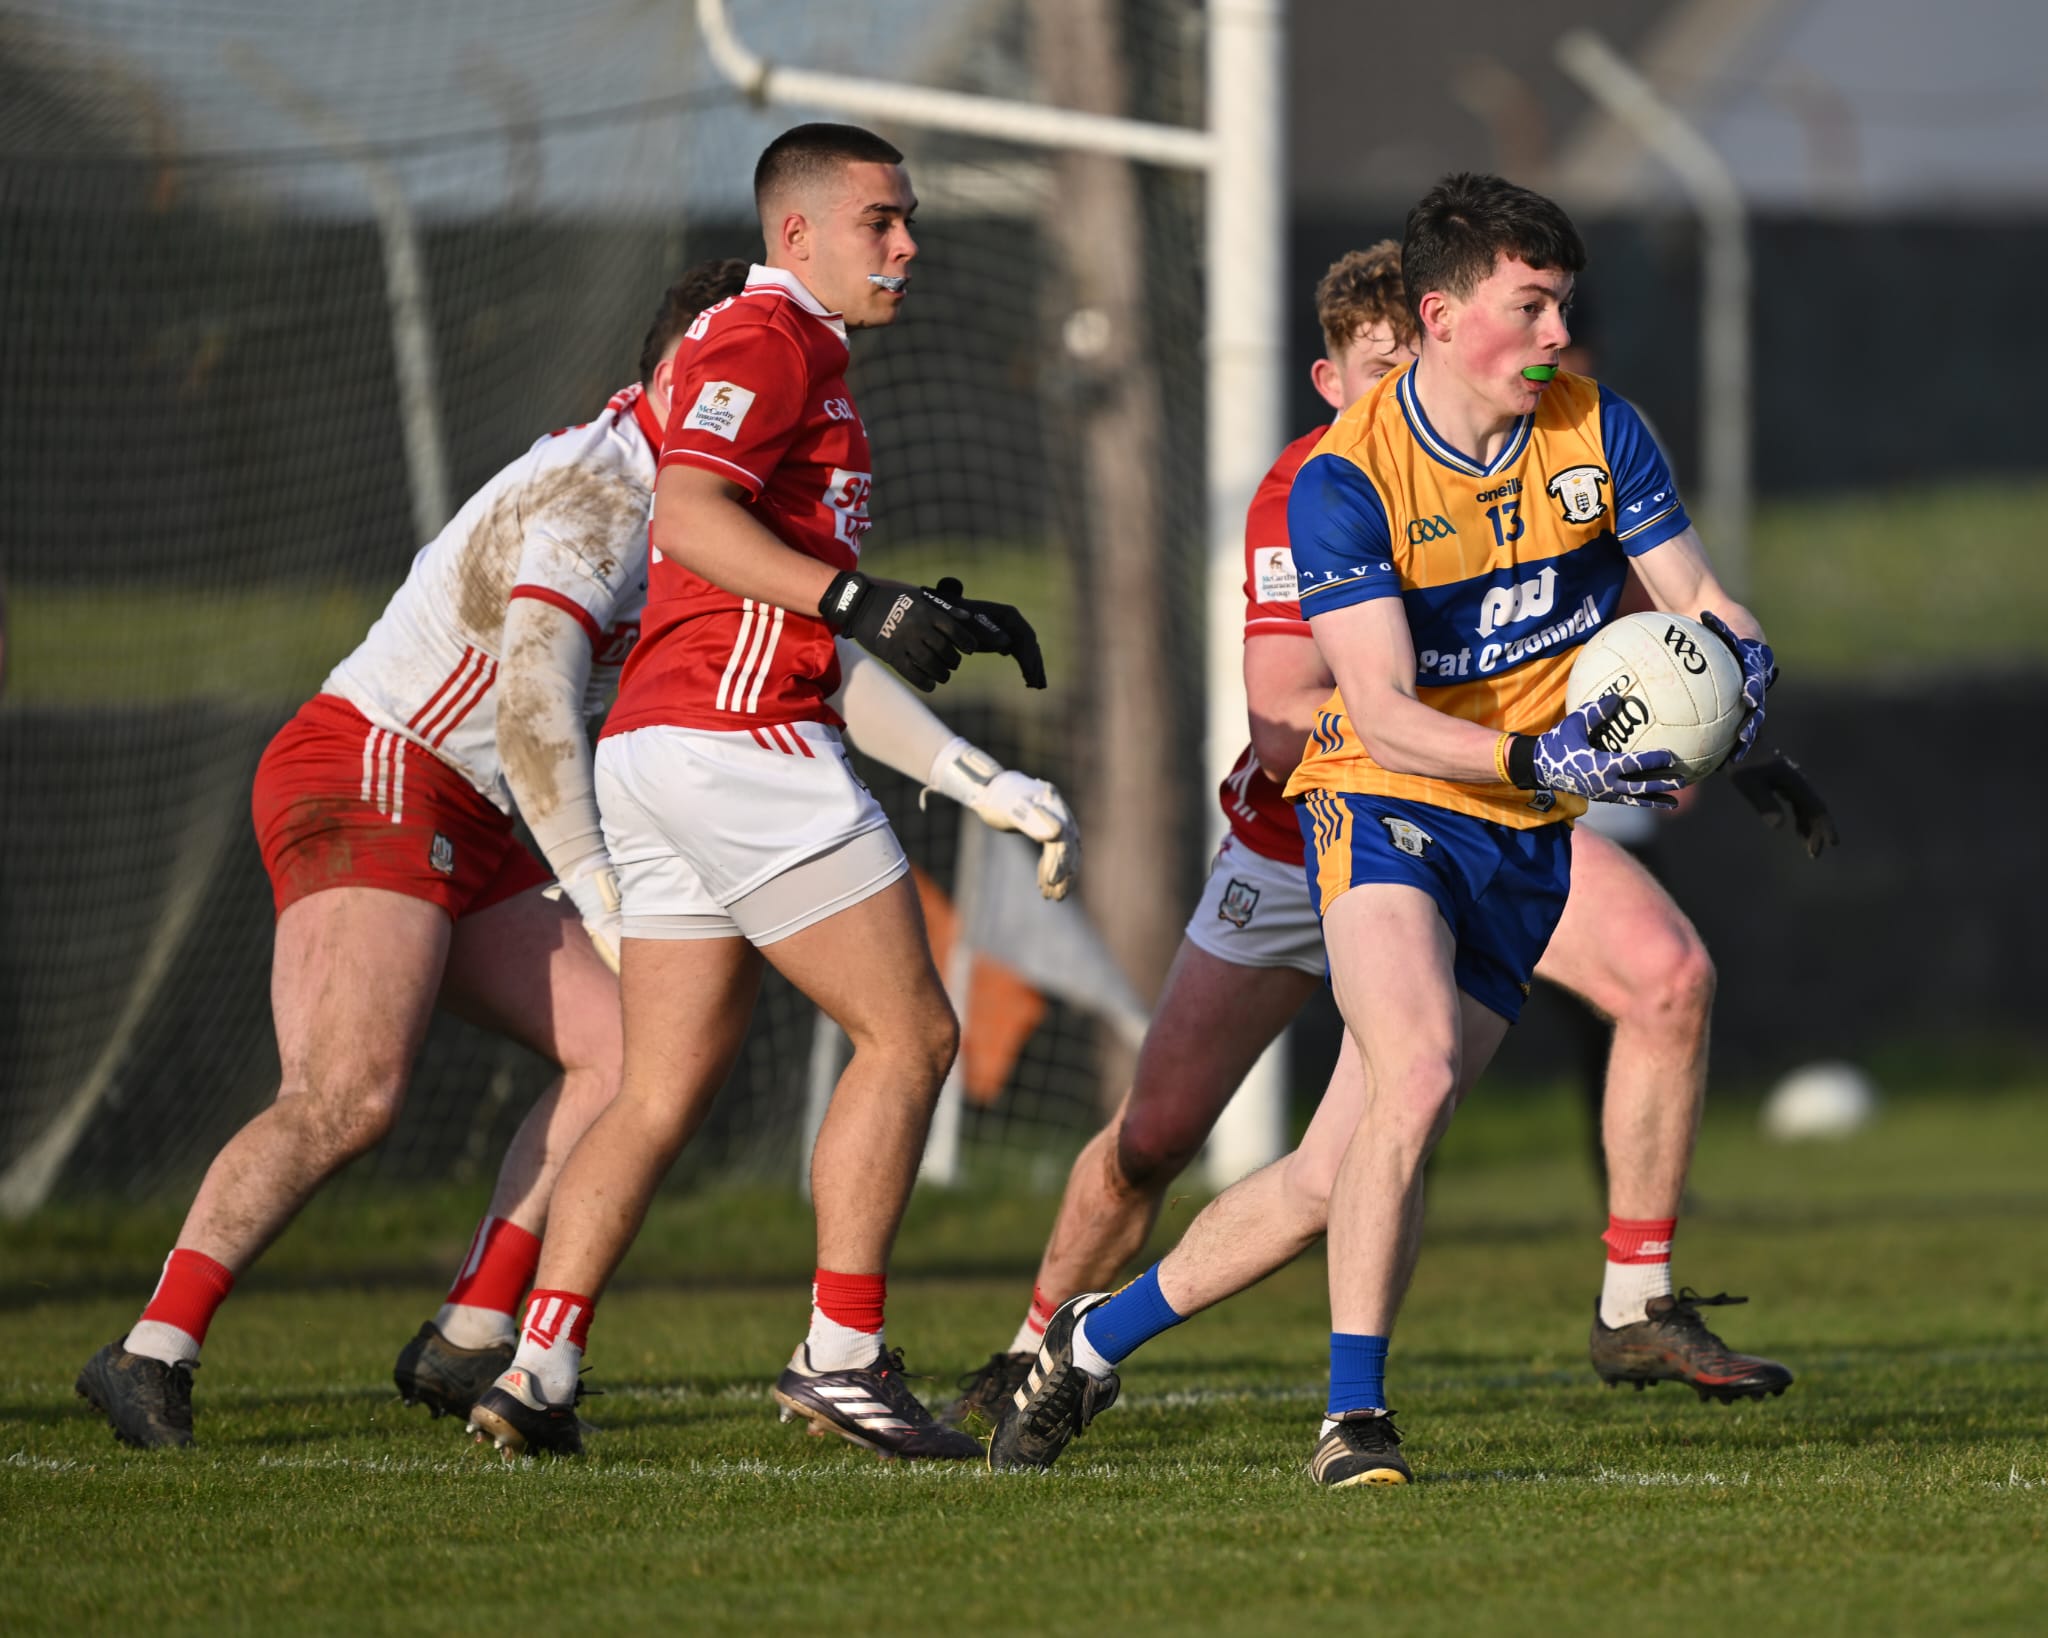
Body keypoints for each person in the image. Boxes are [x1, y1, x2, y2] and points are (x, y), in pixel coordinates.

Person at [75, 256, 1077, 1452]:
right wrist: (602, 891)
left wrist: (977, 775)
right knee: (349, 1093)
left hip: (493, 809)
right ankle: (152, 1346)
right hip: (382, 768)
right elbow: (532, 706)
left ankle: (479, 1338)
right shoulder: (602, 499)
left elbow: (817, 657)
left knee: (623, 1057)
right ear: (679, 371)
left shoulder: (719, 493)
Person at [991, 174, 1789, 1488]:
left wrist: (1747, 684)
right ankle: (1351, 1420)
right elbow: (1373, 709)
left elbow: (1699, 599)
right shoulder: (1345, 477)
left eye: (1563, 307)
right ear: (1441, 312)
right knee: (1410, 1075)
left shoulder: (1600, 431)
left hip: (1525, 834)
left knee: (1325, 1178)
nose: (1554, 335)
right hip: (1386, 802)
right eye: (1529, 306)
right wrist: (1542, 748)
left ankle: (1094, 1336)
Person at [466, 123, 1044, 1462]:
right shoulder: (765, 337)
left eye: (907, 220)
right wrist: (853, 596)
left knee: (658, 1087)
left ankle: (539, 1367)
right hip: (736, 745)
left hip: (669, 746)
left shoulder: (809, 358)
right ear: (797, 235)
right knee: (914, 1039)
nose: (907, 245)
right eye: (881, 222)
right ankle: (840, 1355)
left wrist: (911, 618)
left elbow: (767, 564)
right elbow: (687, 516)